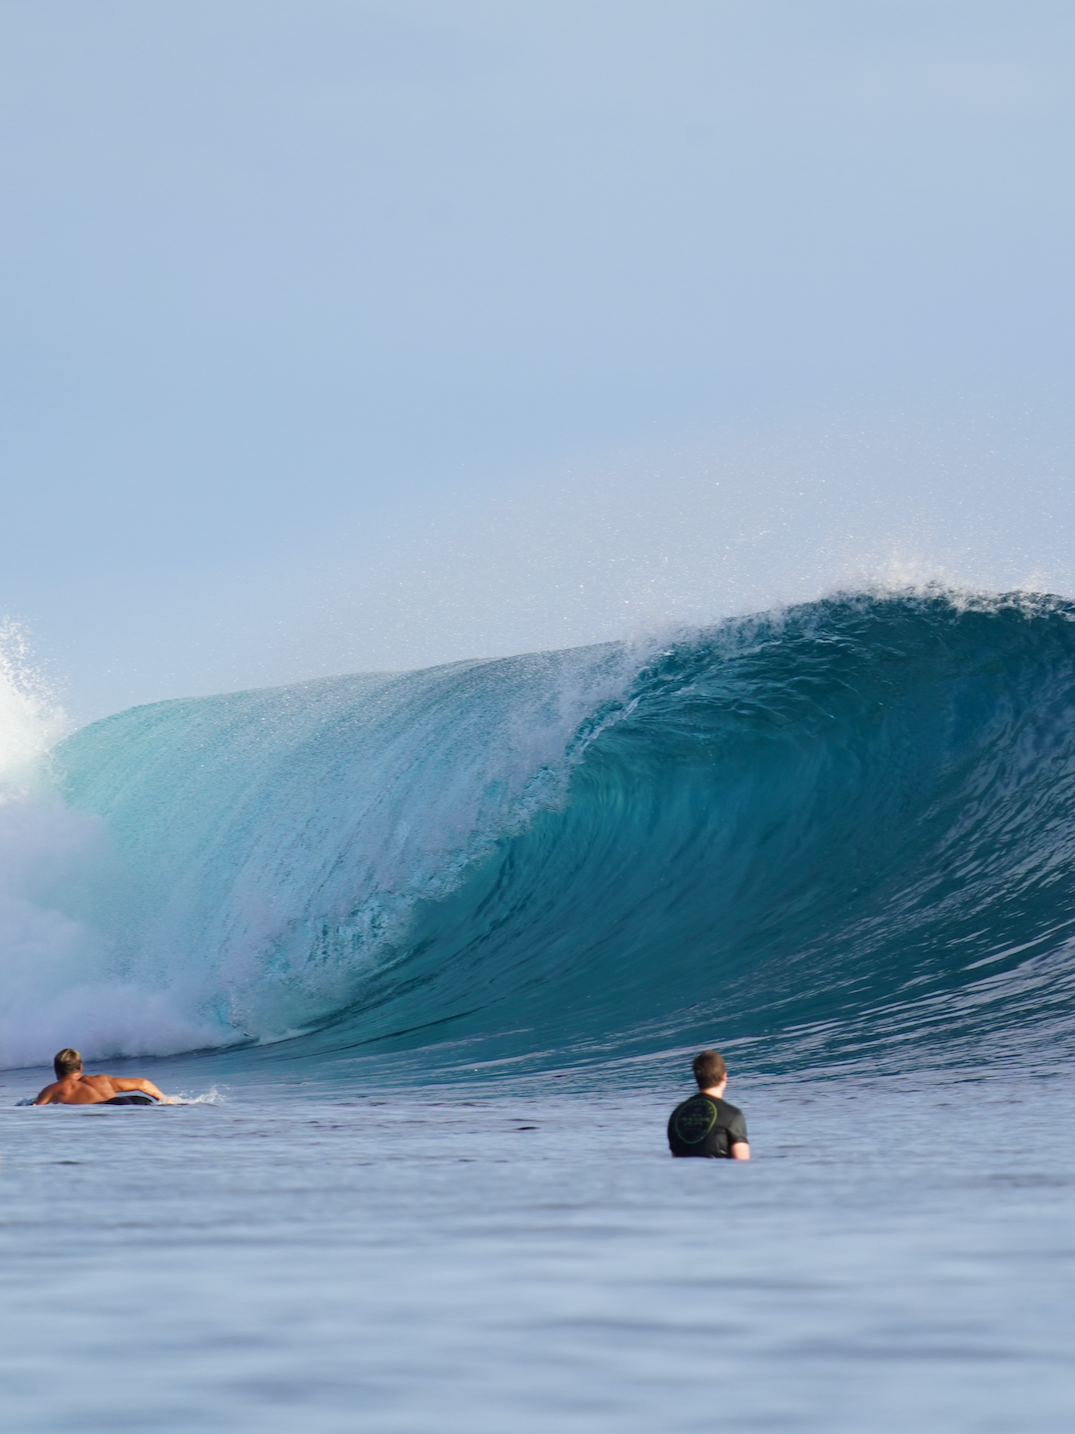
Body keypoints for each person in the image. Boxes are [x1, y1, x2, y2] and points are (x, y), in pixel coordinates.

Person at [667, 1050, 750, 1159]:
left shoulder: (677, 1114)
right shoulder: (732, 1115)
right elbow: (742, 1163)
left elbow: (675, 1157)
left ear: (697, 1078)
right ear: (724, 1076)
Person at [32, 1048, 174, 1106]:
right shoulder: (101, 1079)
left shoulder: (54, 1089)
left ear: (56, 1069)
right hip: (133, 1100)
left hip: (109, 1107)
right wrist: (164, 1100)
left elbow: (35, 1110)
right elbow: (142, 1083)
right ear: (80, 1067)